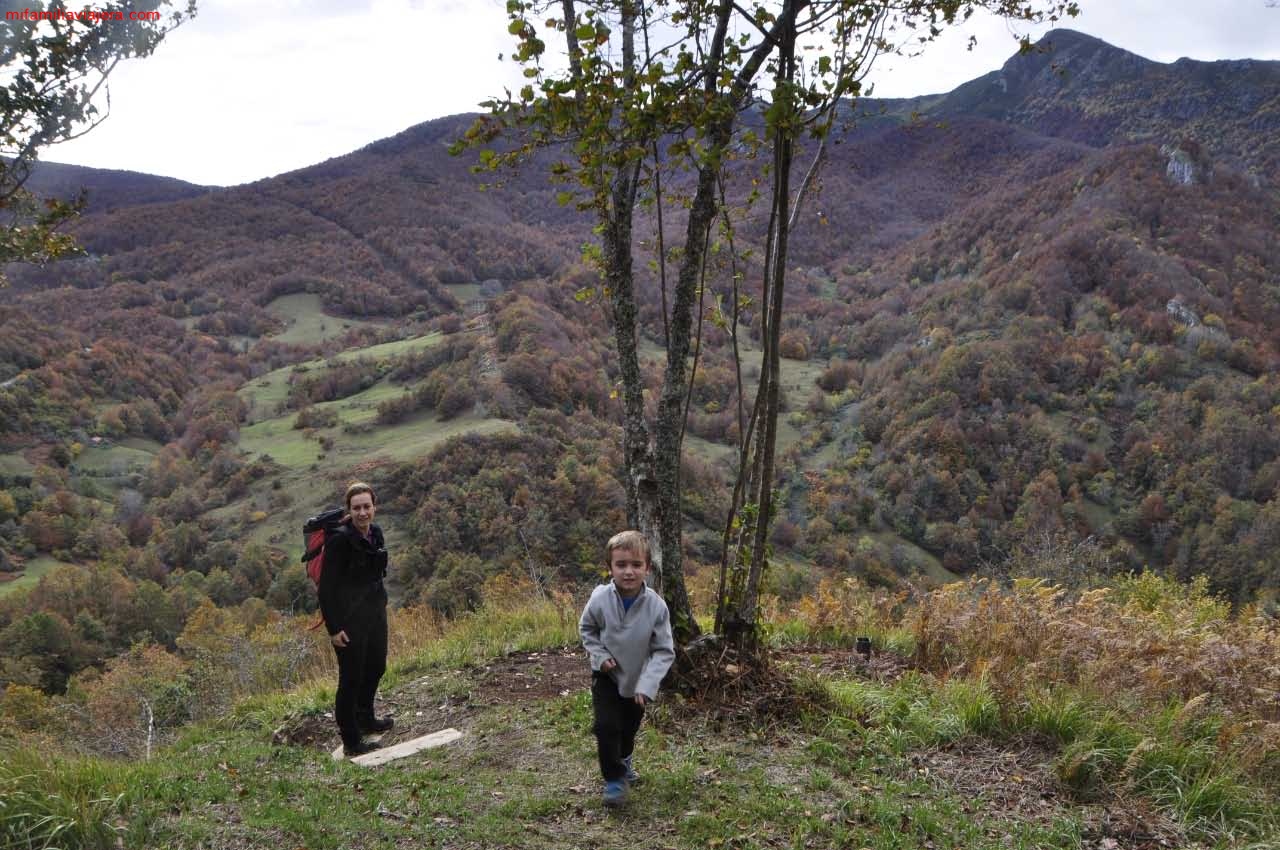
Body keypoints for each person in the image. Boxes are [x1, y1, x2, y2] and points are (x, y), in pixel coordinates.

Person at [579, 530, 675, 807]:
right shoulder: (599, 599)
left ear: (647, 567)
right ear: (610, 568)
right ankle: (614, 779)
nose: (628, 572)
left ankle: (625, 759)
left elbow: (663, 650)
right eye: (621, 565)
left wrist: (648, 685)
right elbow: (587, 629)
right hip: (606, 676)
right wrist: (599, 656)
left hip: (638, 681)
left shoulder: (656, 606)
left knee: (628, 729)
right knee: (605, 726)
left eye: (636, 565)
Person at [318, 481, 393, 757]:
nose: (363, 512)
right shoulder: (339, 541)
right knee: (350, 679)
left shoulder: (376, 533)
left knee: (376, 667)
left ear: (374, 507)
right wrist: (334, 629)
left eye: (367, 506)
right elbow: (325, 589)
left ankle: (366, 718)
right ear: (349, 511)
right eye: (357, 508)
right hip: (348, 622)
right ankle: (351, 740)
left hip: (374, 613)